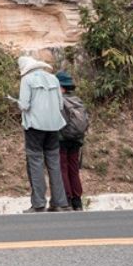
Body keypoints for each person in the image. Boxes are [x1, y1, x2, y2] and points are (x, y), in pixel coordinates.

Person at [15, 55, 70, 213]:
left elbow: (24, 105)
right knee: (54, 163)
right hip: (54, 126)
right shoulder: (53, 79)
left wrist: (18, 103)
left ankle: (39, 203)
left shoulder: (27, 80)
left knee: (35, 163)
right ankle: (59, 202)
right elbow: (60, 104)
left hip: (35, 127)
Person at [56, 71, 89, 211]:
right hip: (77, 139)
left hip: (63, 138)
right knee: (74, 170)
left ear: (61, 87)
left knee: (63, 168)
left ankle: (67, 199)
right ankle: (77, 201)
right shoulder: (78, 100)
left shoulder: (60, 101)